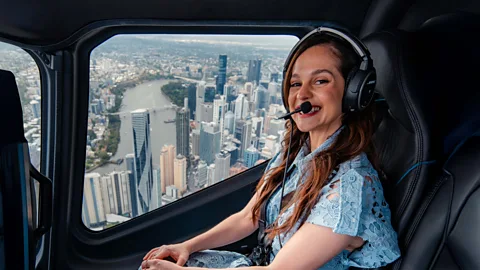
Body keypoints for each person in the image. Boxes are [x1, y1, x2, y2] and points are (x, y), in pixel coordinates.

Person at [140, 27, 401, 270]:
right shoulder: (296, 153)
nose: (302, 95)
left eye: (320, 81)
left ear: (353, 92)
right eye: (296, 83)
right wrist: (186, 246)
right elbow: (248, 217)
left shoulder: (350, 186)